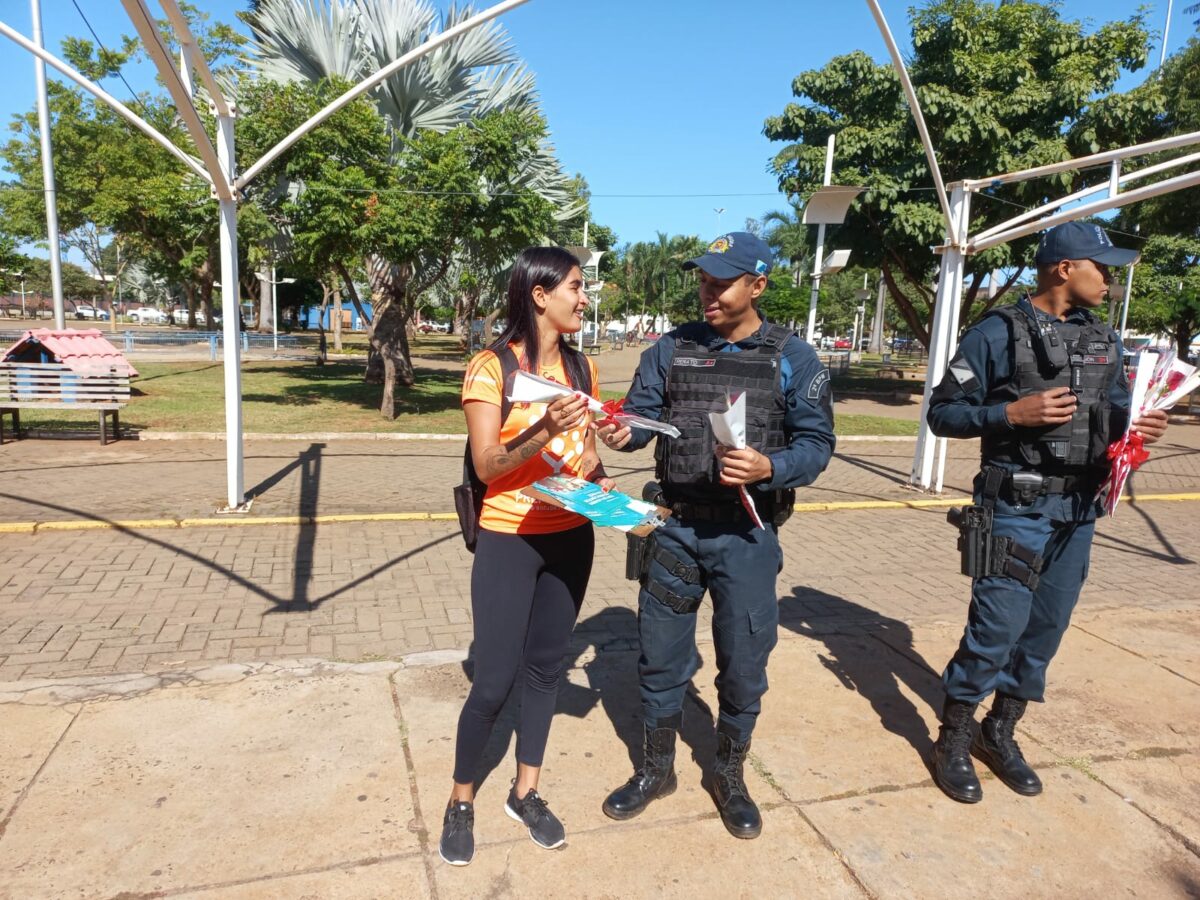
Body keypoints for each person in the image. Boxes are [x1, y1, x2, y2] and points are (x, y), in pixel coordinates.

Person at [596, 232, 835, 839]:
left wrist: (770, 468)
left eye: (721, 282)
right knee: (660, 657)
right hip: (673, 530)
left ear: (757, 285)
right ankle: (656, 770)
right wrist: (623, 433)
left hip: (746, 540)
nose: (707, 292)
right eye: (703, 280)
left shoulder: (794, 358)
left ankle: (728, 774)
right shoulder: (671, 348)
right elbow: (640, 417)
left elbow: (817, 444)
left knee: (744, 662)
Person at [926, 221, 1169, 803]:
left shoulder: (1103, 339)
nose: (1109, 279)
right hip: (1015, 506)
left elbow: (1110, 412)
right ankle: (953, 738)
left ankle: (999, 731)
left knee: (1044, 630)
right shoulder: (996, 333)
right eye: (1101, 267)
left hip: (1079, 507)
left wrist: (1136, 427)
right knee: (997, 627)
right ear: (1065, 268)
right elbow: (943, 413)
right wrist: (1011, 415)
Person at [440, 247, 614, 866]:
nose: (583, 298)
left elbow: (587, 458)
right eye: (575, 286)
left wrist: (605, 484)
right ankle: (461, 799)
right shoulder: (492, 367)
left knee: (547, 668)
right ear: (540, 294)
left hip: (572, 534)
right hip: (509, 538)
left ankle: (526, 792)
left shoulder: (582, 368)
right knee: (493, 679)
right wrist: (542, 429)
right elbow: (488, 467)